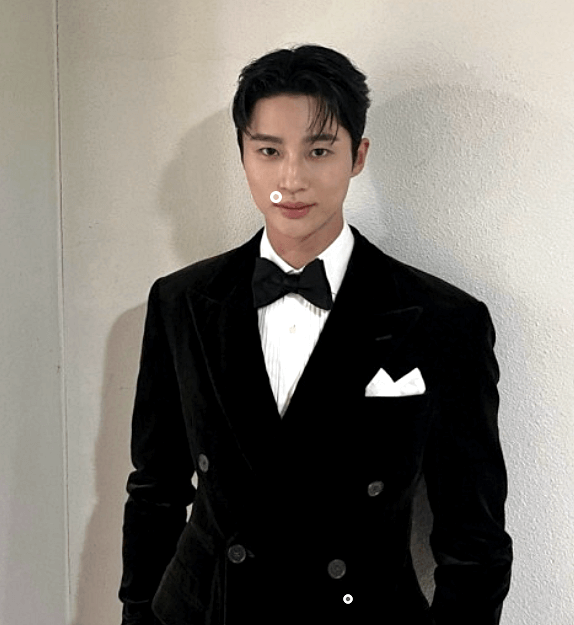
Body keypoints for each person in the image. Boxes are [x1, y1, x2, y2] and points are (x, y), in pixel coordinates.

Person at [119, 44, 513, 625]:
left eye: (319, 150)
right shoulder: (181, 302)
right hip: (208, 611)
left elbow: (473, 538)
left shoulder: (444, 319)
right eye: (269, 151)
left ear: (358, 156)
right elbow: (156, 490)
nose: (292, 178)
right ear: (243, 155)